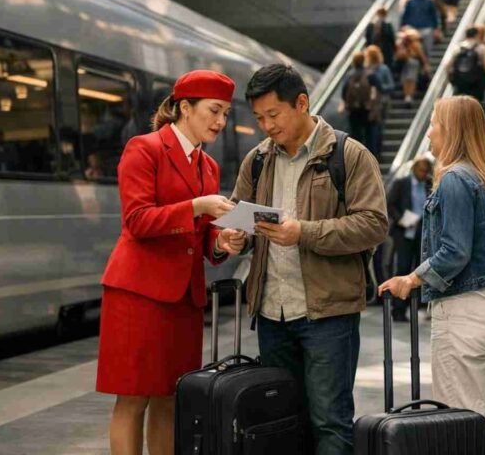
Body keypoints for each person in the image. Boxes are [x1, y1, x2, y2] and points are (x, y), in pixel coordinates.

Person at [232, 64, 388, 455]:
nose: (266, 126)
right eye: (259, 118)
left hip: (328, 315)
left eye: (273, 114)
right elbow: (238, 214)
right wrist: (231, 236)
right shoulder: (257, 160)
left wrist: (303, 232)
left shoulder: (349, 155)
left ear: (301, 103)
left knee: (330, 423)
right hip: (272, 313)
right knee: (281, 422)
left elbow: (373, 225)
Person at [97, 70, 246, 455]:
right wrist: (195, 206)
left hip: (183, 299)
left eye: (225, 113)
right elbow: (137, 221)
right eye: (214, 110)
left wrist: (221, 241)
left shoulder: (208, 166)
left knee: (170, 396)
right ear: (185, 107)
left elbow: (202, 234)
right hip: (139, 294)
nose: (221, 122)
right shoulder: (144, 149)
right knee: (134, 397)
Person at [379, 96, 485, 455]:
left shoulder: (454, 178)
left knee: (462, 420)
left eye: (434, 123)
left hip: (462, 311)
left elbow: (455, 251)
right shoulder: (483, 177)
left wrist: (411, 279)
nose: (429, 133)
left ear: (451, 130)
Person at [386, 155, 434, 322]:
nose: (423, 174)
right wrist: (400, 219)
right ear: (414, 169)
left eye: (426, 171)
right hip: (404, 232)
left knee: (421, 270)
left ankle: (419, 305)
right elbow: (390, 204)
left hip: (423, 233)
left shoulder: (429, 184)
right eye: (421, 170)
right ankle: (398, 309)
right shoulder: (401, 183)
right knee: (403, 268)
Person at [448, 27, 485, 105]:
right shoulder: (482, 48)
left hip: (461, 84)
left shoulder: (457, 48)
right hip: (477, 84)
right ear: (477, 35)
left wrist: (452, 80)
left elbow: (447, 66)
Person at [364, 45, 394, 157]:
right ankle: (376, 151)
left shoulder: (370, 70)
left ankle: (375, 151)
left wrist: (379, 87)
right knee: (378, 127)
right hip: (376, 103)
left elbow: (390, 86)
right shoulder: (382, 69)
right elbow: (391, 85)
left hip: (377, 103)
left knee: (375, 127)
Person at [400, 0, 439, 65]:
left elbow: (434, 15)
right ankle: (417, 64)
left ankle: (426, 64)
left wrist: (436, 28)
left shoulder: (429, 2)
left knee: (427, 48)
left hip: (426, 28)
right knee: (414, 49)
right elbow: (405, 15)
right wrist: (402, 25)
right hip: (413, 30)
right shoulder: (411, 2)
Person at [395, 32, 429, 105]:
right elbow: (397, 57)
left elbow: (422, 56)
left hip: (414, 64)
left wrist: (425, 65)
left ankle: (409, 96)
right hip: (404, 65)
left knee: (411, 79)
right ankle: (406, 96)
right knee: (405, 79)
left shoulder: (415, 45)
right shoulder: (401, 46)